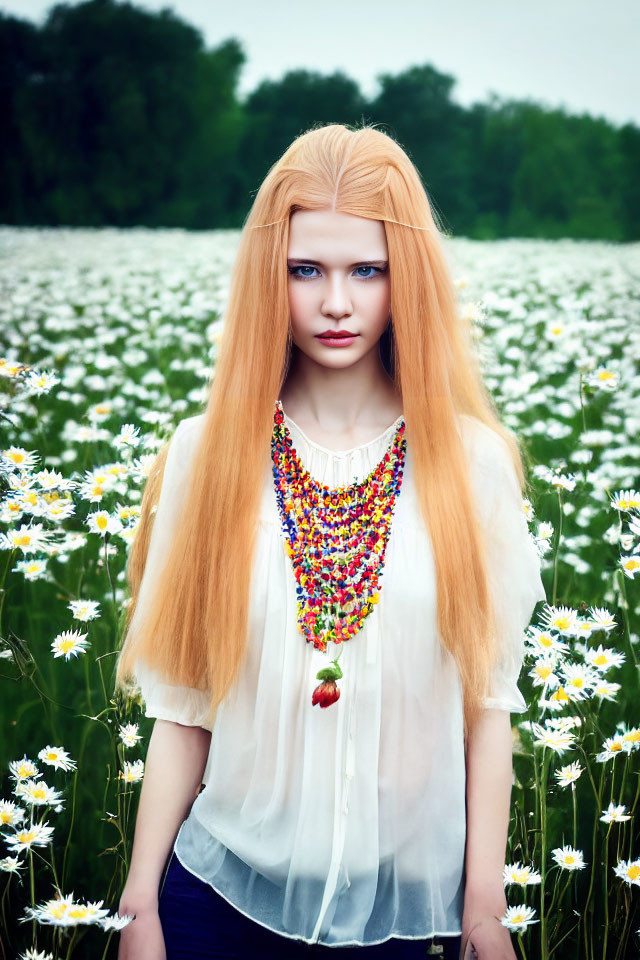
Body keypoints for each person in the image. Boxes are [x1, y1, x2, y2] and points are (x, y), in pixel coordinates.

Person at [114, 123, 546, 960]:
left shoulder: (474, 467)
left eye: (368, 270)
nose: (337, 303)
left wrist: (486, 912)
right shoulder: (206, 454)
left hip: (402, 918)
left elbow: (485, 708)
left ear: (406, 280)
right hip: (213, 904)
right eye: (305, 270)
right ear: (266, 278)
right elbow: (183, 709)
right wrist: (140, 913)